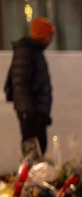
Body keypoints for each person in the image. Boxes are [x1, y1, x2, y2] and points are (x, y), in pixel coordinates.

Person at [4, 17, 55, 156]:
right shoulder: (26, 52)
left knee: (39, 148)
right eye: (49, 35)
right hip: (32, 111)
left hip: (36, 110)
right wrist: (27, 111)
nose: (51, 40)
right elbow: (20, 83)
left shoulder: (34, 51)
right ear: (42, 35)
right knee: (33, 150)